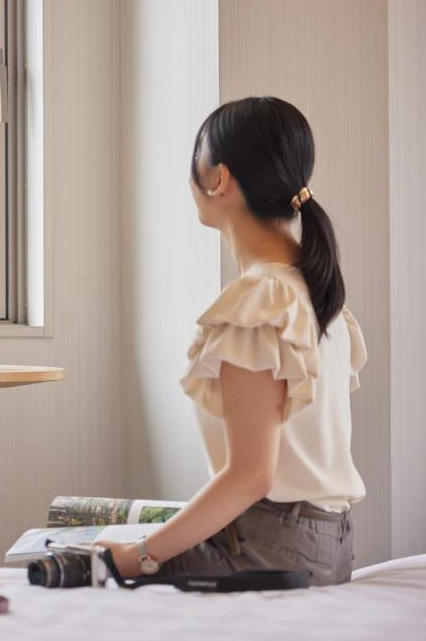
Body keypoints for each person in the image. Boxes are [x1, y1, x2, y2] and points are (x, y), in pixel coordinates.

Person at [99, 97, 367, 587]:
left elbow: (251, 476)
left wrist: (133, 557)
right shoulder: (312, 293)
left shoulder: (260, 302)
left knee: (83, 566)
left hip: (274, 547)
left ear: (217, 179)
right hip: (326, 544)